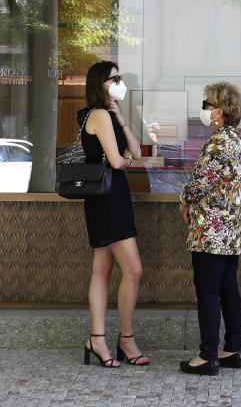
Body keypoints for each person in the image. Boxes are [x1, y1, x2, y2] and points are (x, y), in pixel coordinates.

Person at [78, 61, 149, 368]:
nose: (119, 82)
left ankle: (97, 339)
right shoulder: (97, 116)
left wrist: (120, 118)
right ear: (100, 84)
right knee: (133, 271)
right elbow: (120, 162)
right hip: (108, 199)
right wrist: (126, 160)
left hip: (110, 198)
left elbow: (137, 152)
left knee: (102, 270)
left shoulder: (108, 116)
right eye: (114, 78)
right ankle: (125, 339)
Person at [178, 82, 241, 376]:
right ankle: (233, 349)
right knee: (228, 288)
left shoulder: (220, 142)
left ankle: (208, 355)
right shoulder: (238, 138)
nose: (204, 108)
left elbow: (201, 183)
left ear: (219, 111)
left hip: (213, 229)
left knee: (208, 290)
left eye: (206, 103)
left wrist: (184, 200)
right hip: (233, 228)